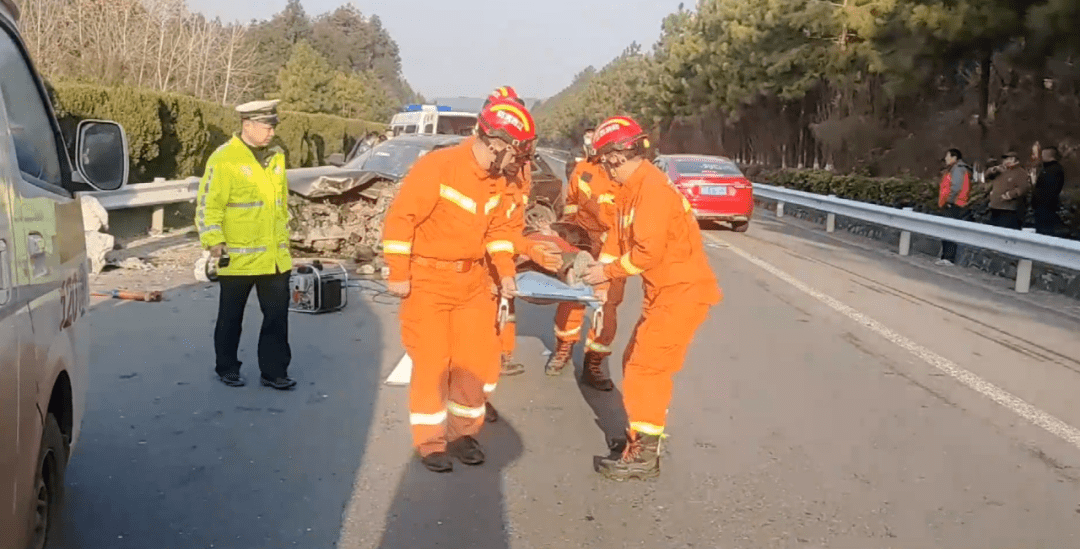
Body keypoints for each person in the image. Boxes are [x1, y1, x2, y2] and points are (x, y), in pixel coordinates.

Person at [381, 96, 534, 473]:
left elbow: (498, 231)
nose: (520, 160)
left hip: (473, 283)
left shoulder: (499, 180)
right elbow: (401, 220)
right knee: (433, 364)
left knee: (473, 362)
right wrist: (398, 272)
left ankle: (464, 434)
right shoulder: (440, 167)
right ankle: (431, 443)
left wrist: (506, 270)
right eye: (517, 151)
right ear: (496, 143)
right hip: (429, 282)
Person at [582, 115, 722, 481]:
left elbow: (647, 254)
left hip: (681, 293)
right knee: (634, 361)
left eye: (604, 162)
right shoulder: (632, 192)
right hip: (663, 293)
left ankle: (643, 455)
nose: (605, 170)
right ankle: (638, 438)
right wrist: (597, 276)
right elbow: (617, 241)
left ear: (614, 157)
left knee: (647, 368)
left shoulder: (652, 191)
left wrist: (606, 273)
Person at [195, 99, 296, 390]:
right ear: (247, 125)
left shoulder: (276, 156)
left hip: (275, 257)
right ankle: (227, 367)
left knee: (277, 317)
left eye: (274, 126)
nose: (271, 133)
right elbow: (208, 205)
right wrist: (214, 242)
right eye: (266, 127)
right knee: (231, 316)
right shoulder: (225, 158)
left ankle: (275, 371)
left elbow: (279, 204)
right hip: (237, 255)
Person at [545, 127, 621, 392]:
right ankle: (564, 348)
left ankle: (594, 361)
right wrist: (567, 238)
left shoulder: (625, 177)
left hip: (613, 251)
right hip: (582, 246)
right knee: (572, 300)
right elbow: (571, 205)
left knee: (605, 307)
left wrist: (609, 262)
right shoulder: (582, 171)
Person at [936, 148, 972, 266]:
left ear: (954, 157)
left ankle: (949, 258)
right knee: (946, 230)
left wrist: (948, 201)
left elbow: (956, 187)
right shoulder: (954, 168)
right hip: (951, 204)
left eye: (948, 156)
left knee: (949, 231)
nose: (946, 159)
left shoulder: (958, 169)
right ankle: (945, 257)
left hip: (954, 204)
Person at [985, 151, 1031, 230]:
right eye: (1005, 159)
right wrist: (993, 169)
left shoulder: (1021, 172)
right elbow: (987, 176)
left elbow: (1024, 187)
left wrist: (1010, 195)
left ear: (1016, 160)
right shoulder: (999, 170)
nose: (1007, 161)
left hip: (1009, 210)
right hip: (995, 207)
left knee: (1006, 233)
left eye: (1010, 159)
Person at [1032, 145, 1065, 236]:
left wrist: (1041, 202)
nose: (1041, 157)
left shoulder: (1054, 170)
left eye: (1042, 154)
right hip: (1041, 208)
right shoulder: (1046, 169)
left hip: (1046, 209)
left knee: (1045, 232)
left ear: (1049, 155)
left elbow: (1049, 190)